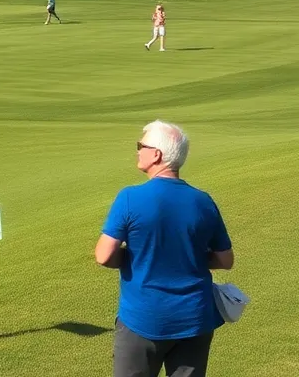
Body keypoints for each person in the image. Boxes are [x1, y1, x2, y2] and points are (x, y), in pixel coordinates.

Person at [95, 121, 234, 377]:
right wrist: (188, 257)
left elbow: (104, 255)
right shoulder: (203, 201)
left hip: (144, 319)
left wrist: (132, 256)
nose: (138, 150)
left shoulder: (129, 197)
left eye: (141, 145)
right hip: (195, 318)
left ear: (156, 154)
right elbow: (225, 260)